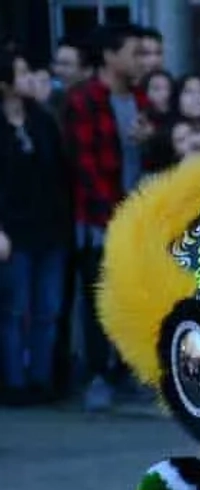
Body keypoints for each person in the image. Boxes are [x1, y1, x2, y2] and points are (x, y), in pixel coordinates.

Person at [64, 23, 146, 411]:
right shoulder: (84, 101)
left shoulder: (140, 98)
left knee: (129, 297)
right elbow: (84, 167)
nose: (140, 61)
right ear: (111, 56)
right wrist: (112, 214)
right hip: (99, 220)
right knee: (98, 297)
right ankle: (98, 375)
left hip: (135, 214)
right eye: (134, 52)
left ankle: (124, 371)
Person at [0, 50, 70, 405]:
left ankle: (42, 379)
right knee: (14, 310)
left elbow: (59, 173)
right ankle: (14, 382)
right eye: (22, 72)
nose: (29, 78)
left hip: (50, 229)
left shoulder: (41, 120)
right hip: (13, 232)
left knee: (48, 309)